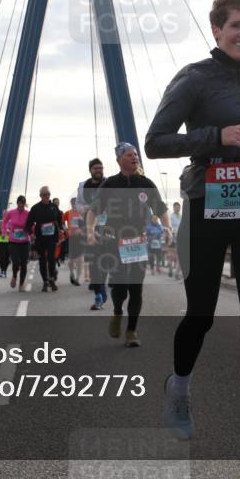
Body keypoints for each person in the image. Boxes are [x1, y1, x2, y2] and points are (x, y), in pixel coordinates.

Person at [145, 0, 240, 479]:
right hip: (206, 206)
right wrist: (214, 137)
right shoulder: (193, 78)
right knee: (201, 314)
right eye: (236, 26)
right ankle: (179, 388)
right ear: (217, 30)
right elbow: (156, 141)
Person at [86, 143, 170, 348]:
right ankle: (117, 311)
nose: (135, 158)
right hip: (115, 241)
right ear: (119, 160)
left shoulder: (146, 183)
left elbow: (160, 208)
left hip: (138, 242)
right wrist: (90, 230)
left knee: (136, 289)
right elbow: (93, 211)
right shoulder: (110, 184)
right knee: (120, 287)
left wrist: (167, 228)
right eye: (130, 155)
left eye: (136, 155)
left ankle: (132, 330)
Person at [76, 158, 108, 308]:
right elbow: (78, 204)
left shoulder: (109, 184)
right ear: (90, 170)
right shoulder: (83, 186)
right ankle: (99, 294)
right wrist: (87, 209)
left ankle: (101, 286)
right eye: (96, 168)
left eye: (101, 168)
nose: (99, 170)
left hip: (108, 228)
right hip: (90, 228)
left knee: (106, 262)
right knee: (94, 262)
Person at [26, 186, 63, 292]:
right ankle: (45, 281)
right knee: (42, 260)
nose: (46, 196)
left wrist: (60, 229)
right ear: (40, 195)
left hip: (52, 237)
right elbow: (28, 224)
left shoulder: (54, 207)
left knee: (51, 258)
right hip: (40, 238)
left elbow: (59, 220)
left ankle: (51, 278)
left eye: (48, 194)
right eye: (44, 194)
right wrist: (31, 233)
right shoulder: (35, 208)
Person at [2, 195, 31, 291]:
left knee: (23, 263)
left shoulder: (28, 213)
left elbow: (32, 224)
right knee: (15, 262)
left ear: (24, 204)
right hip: (13, 241)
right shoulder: (11, 212)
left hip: (24, 242)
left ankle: (21, 284)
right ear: (17, 203)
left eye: (22, 203)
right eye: (19, 203)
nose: (21, 205)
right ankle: (14, 276)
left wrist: (34, 232)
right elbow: (4, 222)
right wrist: (4, 231)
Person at [63, 197, 84, 286]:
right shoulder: (68, 213)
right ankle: (72, 273)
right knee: (71, 260)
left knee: (80, 259)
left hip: (80, 237)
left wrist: (82, 230)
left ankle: (78, 278)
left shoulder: (82, 213)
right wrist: (65, 229)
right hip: (71, 238)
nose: (74, 205)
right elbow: (62, 222)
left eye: (75, 203)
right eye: (72, 203)